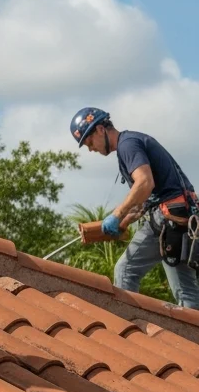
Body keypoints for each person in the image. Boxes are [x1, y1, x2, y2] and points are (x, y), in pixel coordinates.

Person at [70, 107, 199, 308]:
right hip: (181, 218)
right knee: (186, 291)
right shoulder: (132, 142)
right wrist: (123, 222)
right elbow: (145, 198)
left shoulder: (127, 145)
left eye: (89, 142)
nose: (91, 149)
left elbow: (144, 183)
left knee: (125, 270)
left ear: (100, 130)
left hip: (169, 220)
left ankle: (126, 323)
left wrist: (117, 214)